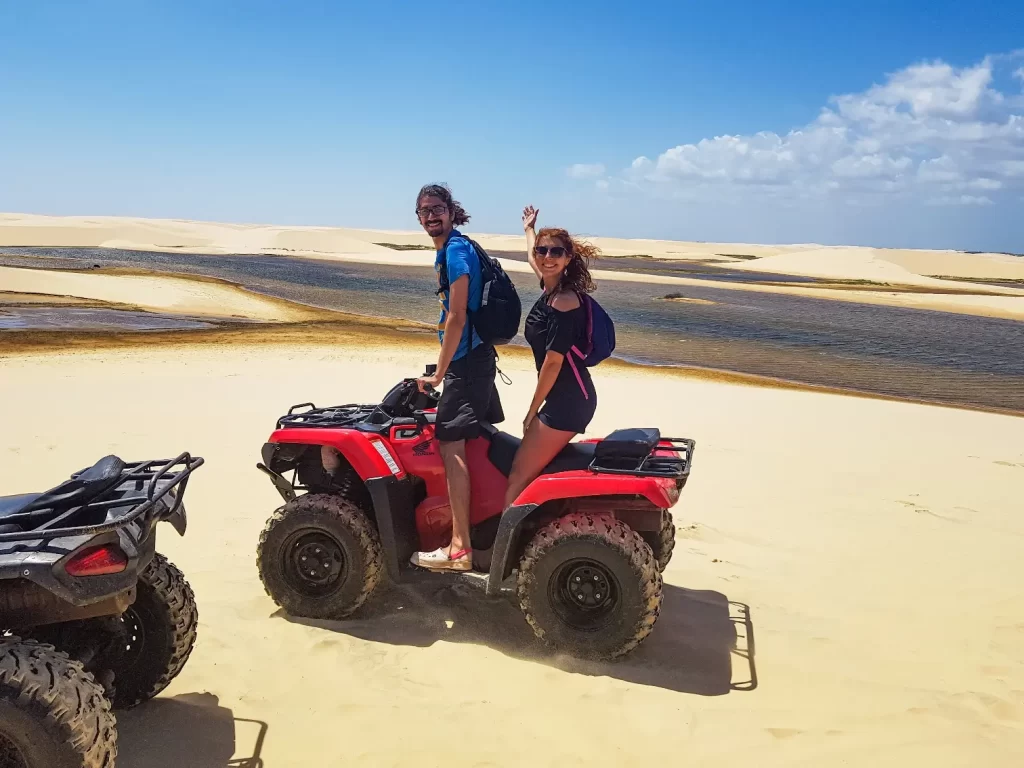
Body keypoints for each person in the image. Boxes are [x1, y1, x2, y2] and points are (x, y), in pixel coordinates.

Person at [410, 183, 504, 572]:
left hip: (467, 363)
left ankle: (460, 547)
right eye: (424, 211)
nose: (431, 216)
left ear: (451, 211)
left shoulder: (456, 251)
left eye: (437, 208)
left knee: (450, 444)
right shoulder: (453, 247)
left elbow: (457, 315)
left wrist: (441, 372)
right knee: (469, 440)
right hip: (473, 360)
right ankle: (482, 532)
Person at [503, 206, 599, 508]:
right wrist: (529, 229)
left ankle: (500, 552)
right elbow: (533, 259)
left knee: (518, 474)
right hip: (566, 397)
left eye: (556, 252)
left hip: (568, 401)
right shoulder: (550, 288)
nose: (547, 257)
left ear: (568, 258)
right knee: (529, 470)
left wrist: (532, 411)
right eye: (543, 250)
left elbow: (553, 362)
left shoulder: (565, 301)